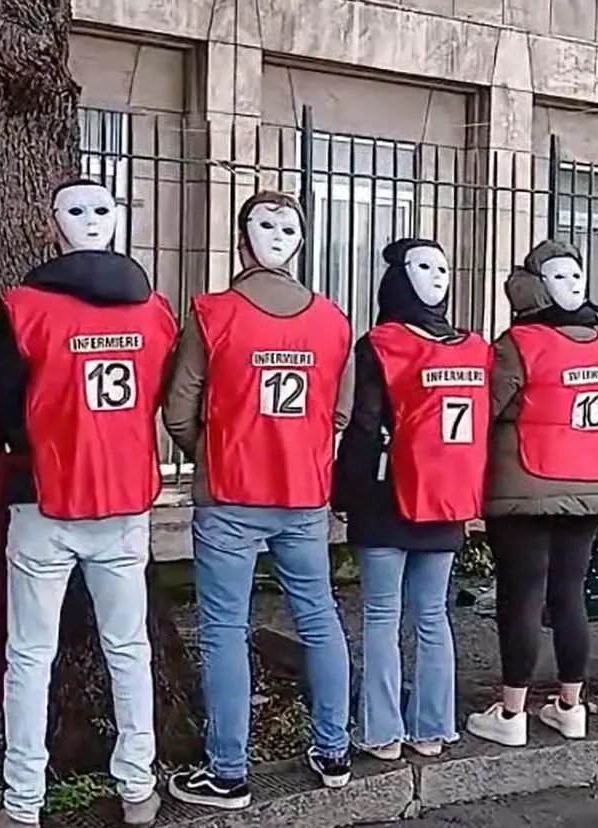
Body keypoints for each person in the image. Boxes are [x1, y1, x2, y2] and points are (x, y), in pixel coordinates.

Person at [0, 180, 176, 828]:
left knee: (30, 657)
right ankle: (139, 788)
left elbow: (4, 409)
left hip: (46, 496)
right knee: (129, 649)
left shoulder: (23, 308)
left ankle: (23, 803)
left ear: (50, 226)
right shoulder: (156, 309)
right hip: (126, 497)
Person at [162, 192, 355, 808]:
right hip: (302, 493)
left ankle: (228, 771)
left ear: (239, 243)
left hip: (231, 492)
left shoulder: (213, 312)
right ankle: (332, 751)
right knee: (319, 617)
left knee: (224, 628)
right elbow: (341, 413)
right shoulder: (332, 319)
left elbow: (179, 412)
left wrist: (212, 453)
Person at [467, 239, 598, 747]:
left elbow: (483, 408)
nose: (574, 282)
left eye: (575, 272)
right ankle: (570, 706)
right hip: (592, 481)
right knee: (569, 594)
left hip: (525, 484)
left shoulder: (517, 343)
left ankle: (512, 713)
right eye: (562, 274)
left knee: (522, 597)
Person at [336, 239, 488, 761]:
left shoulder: (380, 343)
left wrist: (345, 492)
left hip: (387, 497)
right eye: (425, 266)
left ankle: (381, 733)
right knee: (433, 616)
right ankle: (432, 728)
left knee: (382, 615)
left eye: (442, 266)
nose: (438, 276)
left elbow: (362, 426)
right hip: (448, 499)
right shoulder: (475, 347)